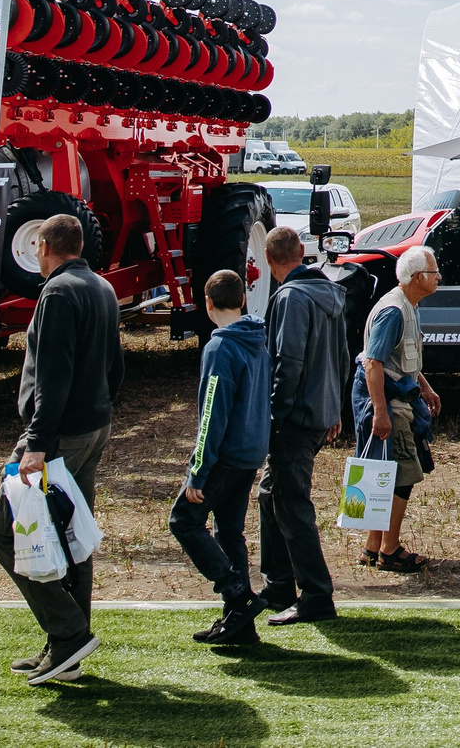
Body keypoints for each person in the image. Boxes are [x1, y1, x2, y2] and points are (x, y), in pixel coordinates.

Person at [0, 214, 124, 686]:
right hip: (92, 428)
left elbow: (52, 374)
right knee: (72, 537)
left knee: (6, 533)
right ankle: (67, 645)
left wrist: (37, 444)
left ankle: (68, 634)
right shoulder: (102, 288)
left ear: (44, 245)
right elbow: (115, 364)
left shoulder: (58, 292)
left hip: (58, 437)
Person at [170, 269, 271, 646]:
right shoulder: (256, 339)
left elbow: (212, 412)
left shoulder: (219, 347)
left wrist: (198, 471)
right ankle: (240, 626)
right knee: (229, 532)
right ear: (243, 300)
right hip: (250, 453)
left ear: (207, 304)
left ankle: (236, 594)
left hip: (225, 455)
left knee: (184, 520)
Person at [257, 225, 345, 627]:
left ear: (270, 258)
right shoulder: (329, 293)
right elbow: (343, 355)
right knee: (271, 493)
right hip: (319, 411)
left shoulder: (291, 297)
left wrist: (274, 414)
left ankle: (315, 594)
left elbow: (286, 362)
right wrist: (335, 408)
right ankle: (279, 583)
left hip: (295, 416)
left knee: (292, 504)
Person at [355, 247, 443, 573]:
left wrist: (424, 385)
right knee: (400, 476)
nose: (438, 277)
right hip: (389, 404)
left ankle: (372, 546)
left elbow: (400, 360)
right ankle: (389, 551)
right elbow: (372, 362)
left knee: (382, 475)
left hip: (397, 400)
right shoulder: (394, 311)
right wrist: (380, 411)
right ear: (418, 277)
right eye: (434, 272)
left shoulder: (408, 305)